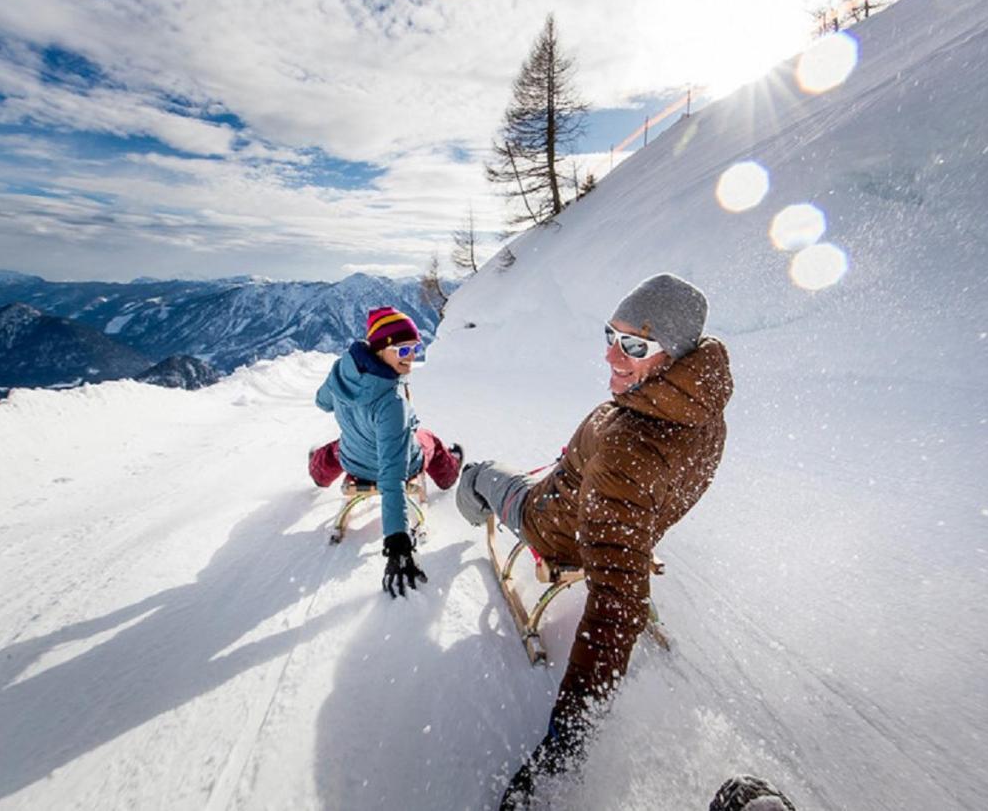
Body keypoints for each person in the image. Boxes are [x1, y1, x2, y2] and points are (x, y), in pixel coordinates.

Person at [456, 274, 732, 807]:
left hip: (551, 525)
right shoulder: (705, 412)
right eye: (611, 335)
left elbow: (615, 608)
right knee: (550, 474)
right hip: (605, 518)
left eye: (633, 345)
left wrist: (567, 743)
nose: (611, 356)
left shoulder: (628, 453)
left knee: (487, 473)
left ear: (673, 356)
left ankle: (467, 500)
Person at [311, 306, 463, 597]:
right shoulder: (391, 402)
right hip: (394, 464)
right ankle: (449, 473)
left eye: (415, 348)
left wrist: (341, 395)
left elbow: (323, 403)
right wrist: (397, 540)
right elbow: (391, 475)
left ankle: (318, 474)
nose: (412, 357)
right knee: (427, 438)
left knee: (335, 450)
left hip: (353, 458)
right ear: (380, 349)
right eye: (403, 350)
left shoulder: (341, 372)